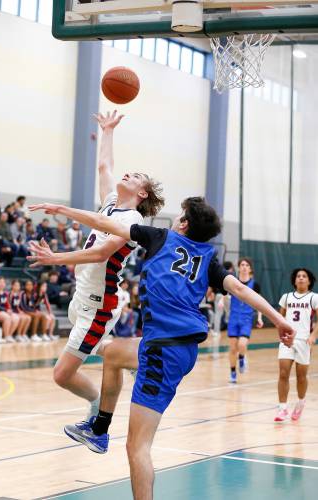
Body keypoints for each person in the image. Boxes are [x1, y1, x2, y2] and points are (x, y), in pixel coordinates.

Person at [41, 196, 295, 500]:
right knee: (113, 353)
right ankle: (100, 427)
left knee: (137, 447)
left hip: (162, 352)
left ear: (184, 223)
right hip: (175, 346)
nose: (176, 218)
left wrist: (64, 210)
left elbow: (104, 223)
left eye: (181, 215)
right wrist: (279, 319)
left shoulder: (160, 237)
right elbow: (239, 289)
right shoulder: (208, 257)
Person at [28, 110, 164, 422]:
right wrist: (108, 130)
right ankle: (140, 358)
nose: (127, 174)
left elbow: (101, 253)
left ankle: (97, 402)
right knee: (99, 345)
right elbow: (104, 166)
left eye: (136, 176)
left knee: (62, 374)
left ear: (142, 193)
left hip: (99, 304)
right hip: (83, 298)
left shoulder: (132, 220)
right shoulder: (109, 206)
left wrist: (55, 258)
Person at [274, 268, 318, 422]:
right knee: (283, 373)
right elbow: (280, 317)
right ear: (294, 280)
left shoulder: (314, 298)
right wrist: (281, 330)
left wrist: (313, 336)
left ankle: (300, 402)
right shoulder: (286, 297)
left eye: (304, 276)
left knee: (301, 377)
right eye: (298, 276)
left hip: (303, 341)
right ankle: (282, 408)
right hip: (287, 340)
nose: (300, 278)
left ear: (309, 281)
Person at [227, 257, 263, 383]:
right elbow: (226, 296)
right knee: (232, 348)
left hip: (246, 319)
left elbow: (259, 303)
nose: (244, 267)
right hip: (233, 318)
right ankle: (232, 372)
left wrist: (259, 317)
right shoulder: (233, 282)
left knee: (242, 344)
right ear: (239, 267)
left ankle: (241, 358)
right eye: (242, 264)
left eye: (246, 265)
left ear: (250, 268)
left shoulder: (255, 285)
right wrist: (222, 301)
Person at [0, 277, 19, 343]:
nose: (2, 284)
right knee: (7, 317)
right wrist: (5, 310)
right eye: (0, 282)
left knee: (16, 318)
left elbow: (8, 304)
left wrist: (9, 309)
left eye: (3, 282)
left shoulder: (5, 293)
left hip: (3, 311)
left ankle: (9, 335)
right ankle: (5, 336)